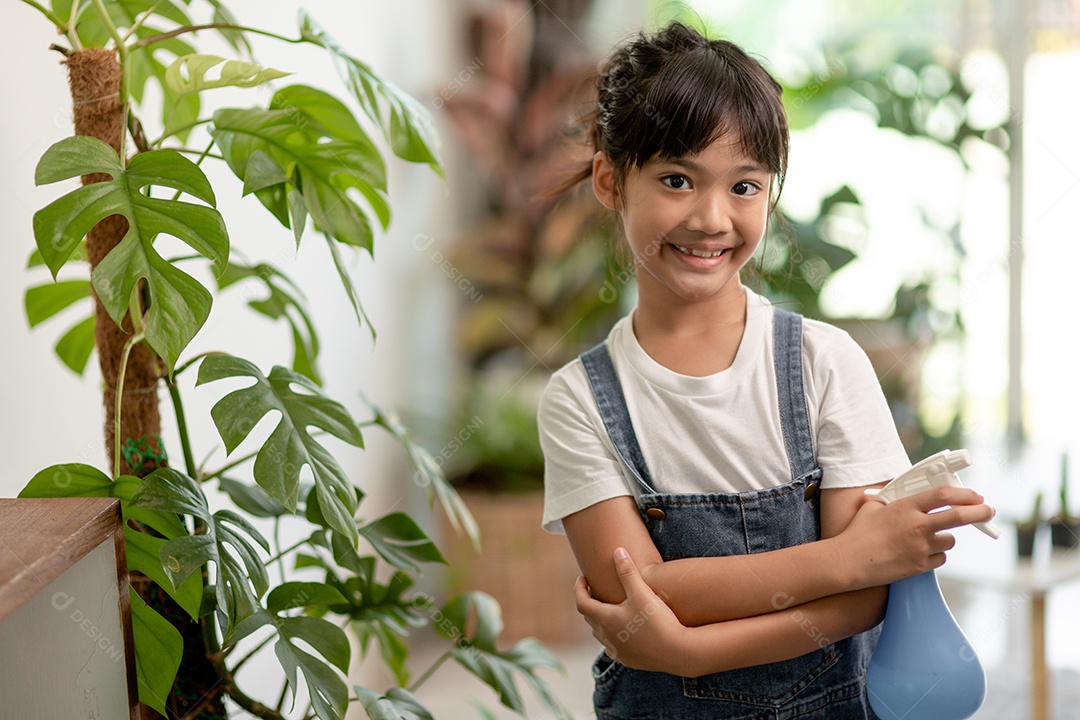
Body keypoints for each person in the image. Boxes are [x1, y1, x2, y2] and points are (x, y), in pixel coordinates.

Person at [536, 21, 995, 719]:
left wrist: (687, 649)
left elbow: (866, 597)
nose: (711, 217)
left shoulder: (825, 363)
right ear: (610, 181)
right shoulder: (579, 400)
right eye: (677, 180)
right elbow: (637, 595)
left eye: (744, 186)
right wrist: (847, 558)